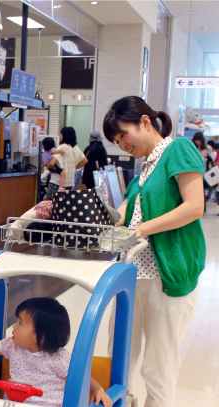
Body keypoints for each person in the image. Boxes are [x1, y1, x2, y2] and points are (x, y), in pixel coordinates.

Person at [103, 96, 205, 407]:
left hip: (167, 275)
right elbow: (122, 216)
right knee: (119, 355)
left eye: (123, 135)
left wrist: (142, 230)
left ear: (145, 122)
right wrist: (93, 214)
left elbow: (195, 206)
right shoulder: (143, 172)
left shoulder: (178, 150)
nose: (122, 145)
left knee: (158, 368)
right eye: (116, 140)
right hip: (133, 275)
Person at [0, 297, 111, 407]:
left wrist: (98, 390)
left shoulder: (60, 359)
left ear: (41, 337)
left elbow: (82, 379)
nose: (14, 327)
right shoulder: (12, 347)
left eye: (21, 323)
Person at [45, 127, 88, 199]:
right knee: (64, 205)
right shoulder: (76, 148)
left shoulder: (63, 147)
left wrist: (47, 166)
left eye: (60, 133)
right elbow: (85, 160)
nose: (59, 135)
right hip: (70, 183)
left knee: (51, 204)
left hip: (57, 182)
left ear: (64, 135)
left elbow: (52, 163)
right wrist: (73, 167)